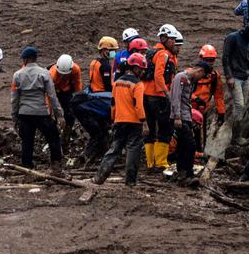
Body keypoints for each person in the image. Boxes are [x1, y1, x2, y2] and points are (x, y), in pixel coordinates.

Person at [94, 52, 149, 185]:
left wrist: (113, 119)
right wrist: (144, 122)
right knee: (133, 150)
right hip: (134, 122)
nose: (142, 72)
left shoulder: (117, 83)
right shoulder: (138, 84)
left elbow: (113, 103)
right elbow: (138, 105)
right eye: (141, 69)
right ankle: (130, 181)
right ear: (135, 68)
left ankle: (99, 177)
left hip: (119, 121)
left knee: (114, 149)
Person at [11, 46, 64, 171]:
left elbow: (14, 99)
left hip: (24, 114)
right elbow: (52, 96)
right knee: (53, 137)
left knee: (27, 142)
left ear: (26, 59)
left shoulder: (17, 75)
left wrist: (15, 117)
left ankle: (27, 167)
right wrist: (59, 115)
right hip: (41, 113)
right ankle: (56, 165)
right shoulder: (44, 73)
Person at [144, 24, 182, 171]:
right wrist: (167, 94)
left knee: (151, 130)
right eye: (172, 39)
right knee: (165, 129)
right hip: (157, 97)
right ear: (165, 38)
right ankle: (160, 162)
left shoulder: (152, 52)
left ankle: (150, 162)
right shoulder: (163, 54)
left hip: (146, 96)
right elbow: (158, 76)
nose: (174, 42)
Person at [169, 62, 209, 184]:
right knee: (190, 145)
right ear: (200, 71)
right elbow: (175, 97)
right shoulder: (181, 77)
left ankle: (182, 173)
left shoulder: (189, 81)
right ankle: (187, 173)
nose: (200, 79)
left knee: (182, 146)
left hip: (186, 116)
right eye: (202, 76)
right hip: (180, 116)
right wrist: (177, 116)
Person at [222, 20, 249, 139]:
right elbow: (225, 57)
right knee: (239, 105)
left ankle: (236, 131)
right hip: (235, 77)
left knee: (242, 106)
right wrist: (229, 76)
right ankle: (235, 137)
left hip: (245, 78)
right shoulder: (232, 38)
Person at [190, 43, 226, 148]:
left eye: (212, 60)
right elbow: (184, 91)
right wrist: (195, 99)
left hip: (203, 110)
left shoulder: (215, 76)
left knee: (202, 134)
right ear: (201, 59)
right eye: (207, 60)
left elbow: (219, 95)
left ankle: (200, 153)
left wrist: (221, 112)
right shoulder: (192, 73)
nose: (210, 63)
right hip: (189, 109)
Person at [49, 54, 82, 144]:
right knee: (51, 116)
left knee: (70, 113)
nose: (63, 76)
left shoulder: (75, 69)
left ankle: (67, 134)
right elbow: (48, 96)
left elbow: (77, 86)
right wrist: (51, 113)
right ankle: (53, 134)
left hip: (66, 90)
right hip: (53, 90)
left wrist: (78, 102)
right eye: (61, 74)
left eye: (65, 74)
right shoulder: (52, 74)